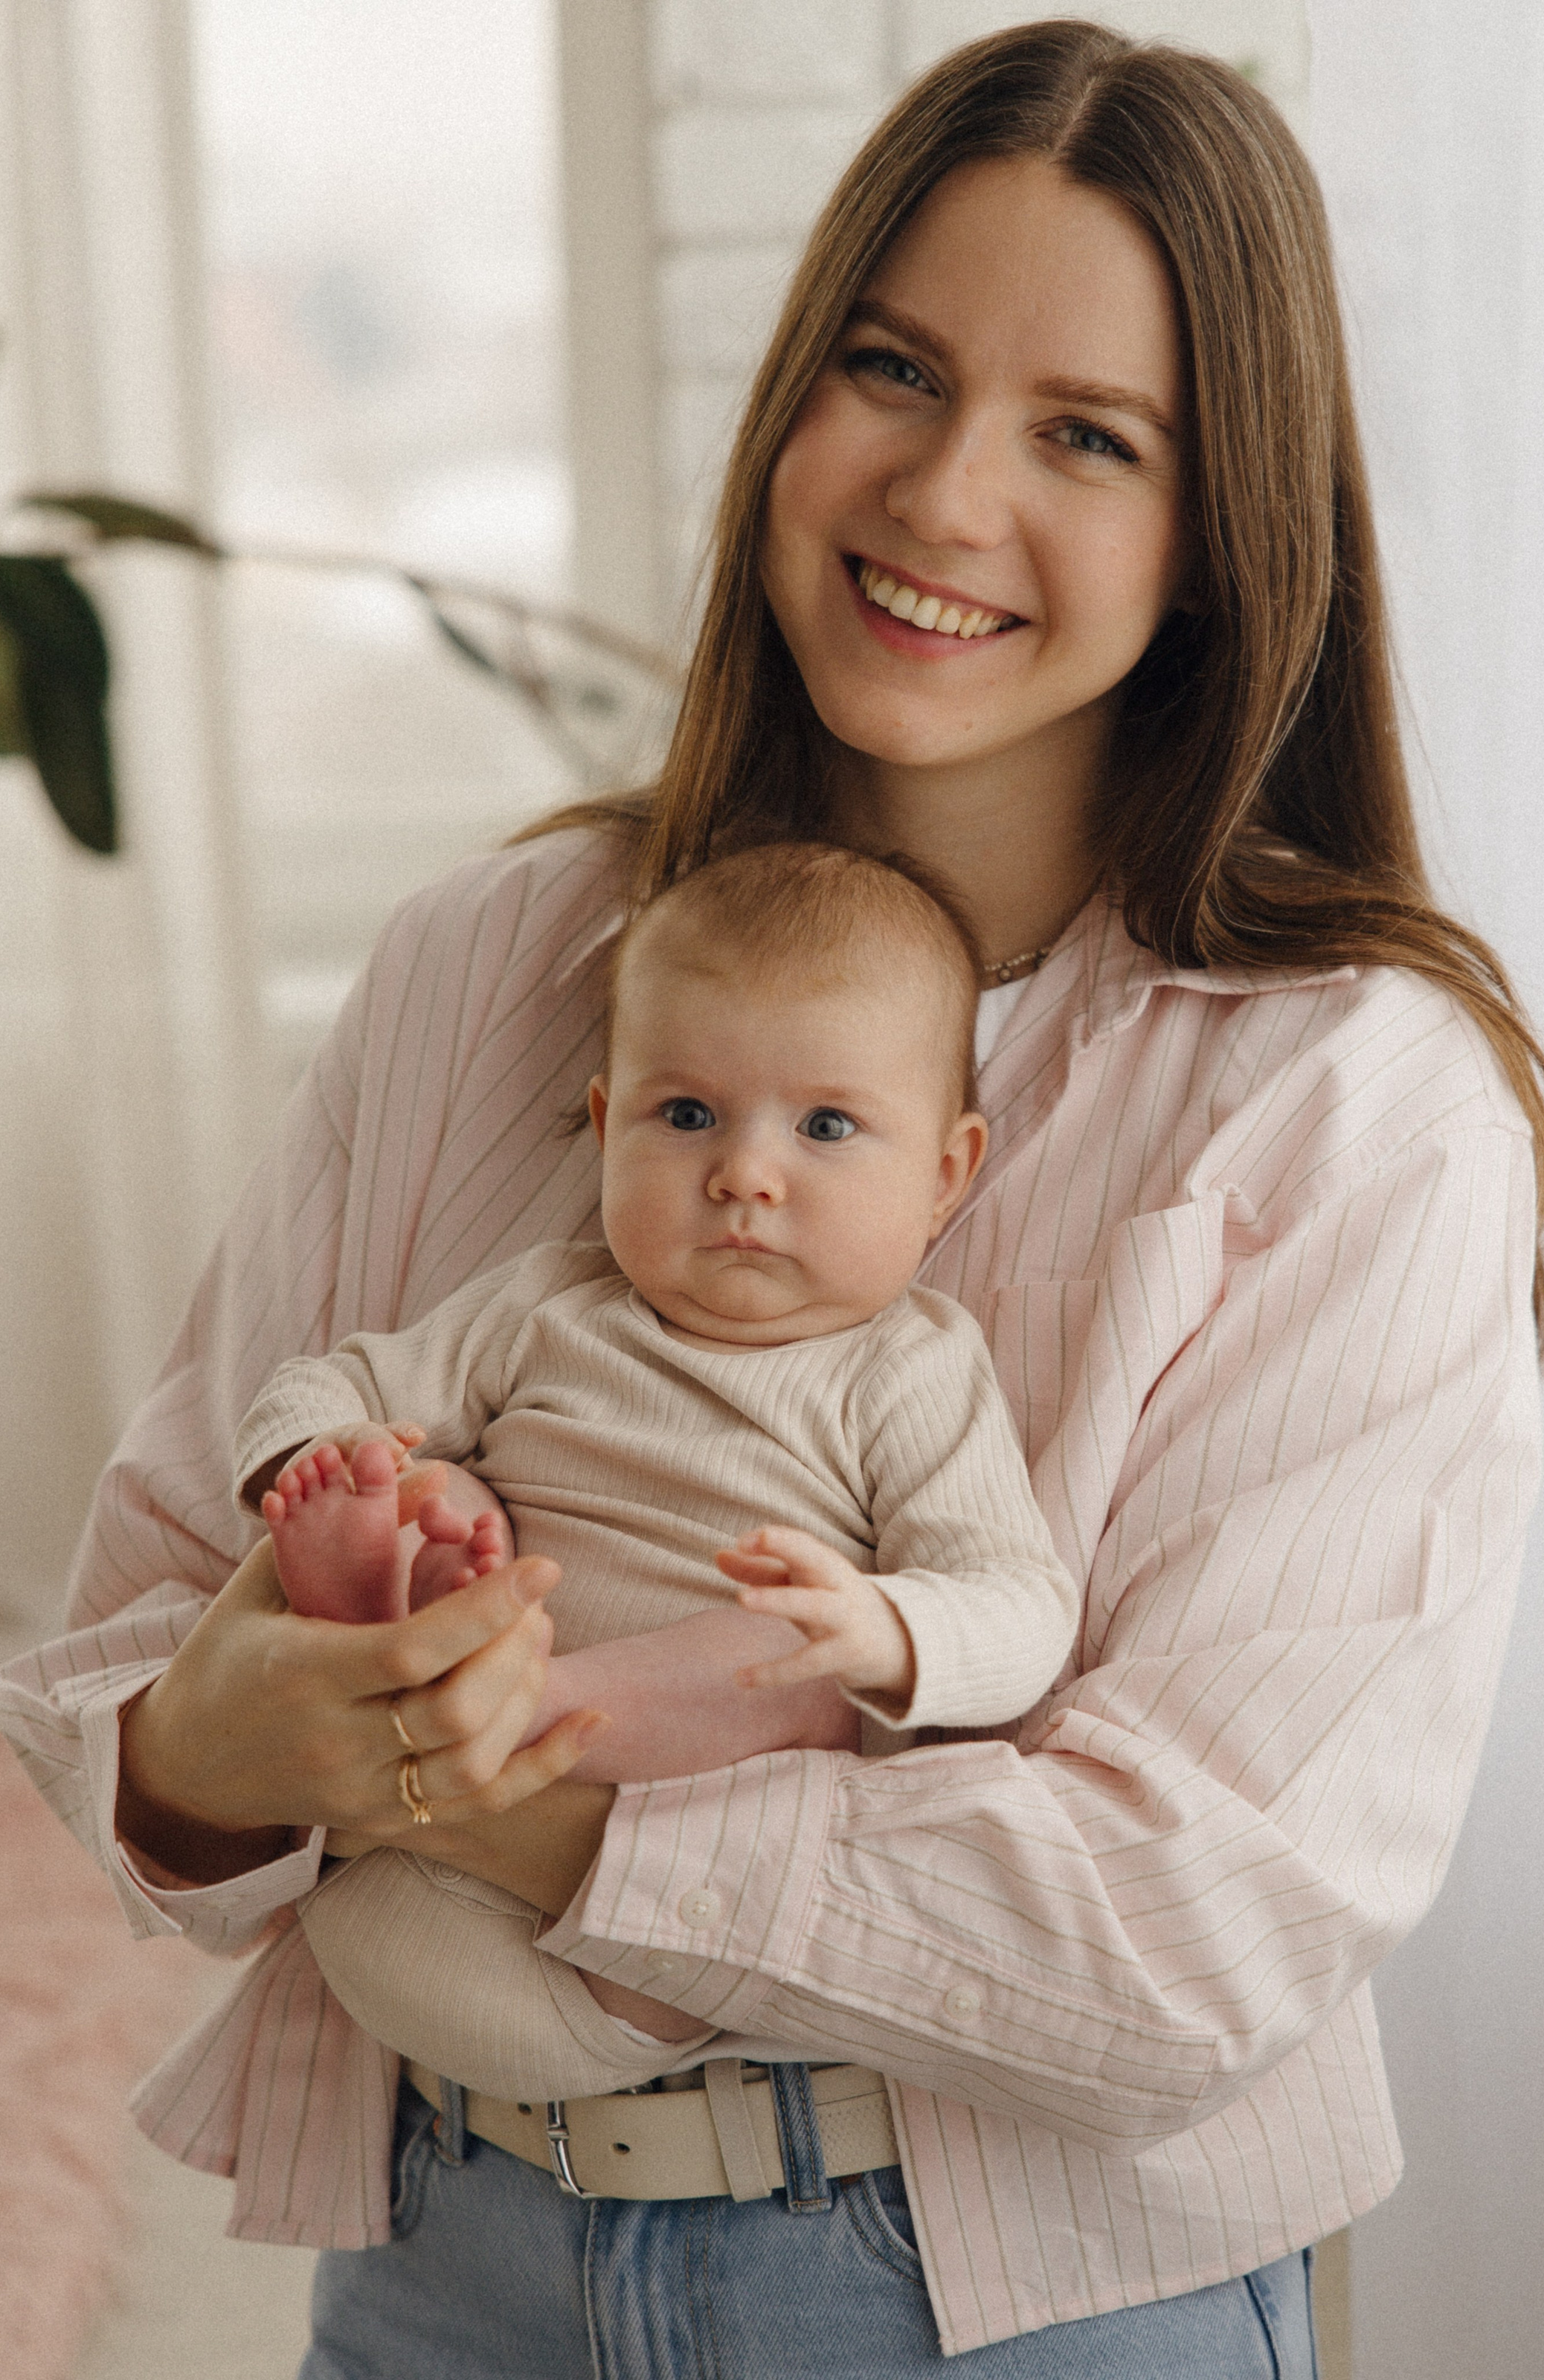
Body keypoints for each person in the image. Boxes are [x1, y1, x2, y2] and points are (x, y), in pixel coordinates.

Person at [0, 21, 1544, 2376]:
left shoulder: (1353, 1100)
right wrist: (226, 1737)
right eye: (893, 368)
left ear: (1225, 528)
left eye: (1086, 436)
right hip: (444, 2265)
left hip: (1005, 2309)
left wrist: (515, 1793)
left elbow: (1189, 1936)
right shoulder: (496, 964)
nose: (941, 494)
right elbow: (124, 1660)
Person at [242, 841, 1077, 2105]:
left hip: (647, 1946)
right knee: (440, 1488)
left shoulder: (905, 1369)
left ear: (947, 1174)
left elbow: (1022, 1603)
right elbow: (334, 1379)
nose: (744, 1172)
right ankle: (387, 1609)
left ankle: (519, 1698)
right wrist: (326, 1458)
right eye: (685, 1115)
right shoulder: (546, 1307)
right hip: (399, 1902)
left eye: (828, 1126)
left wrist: (882, 1625)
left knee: (787, 1666)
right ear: (603, 1124)